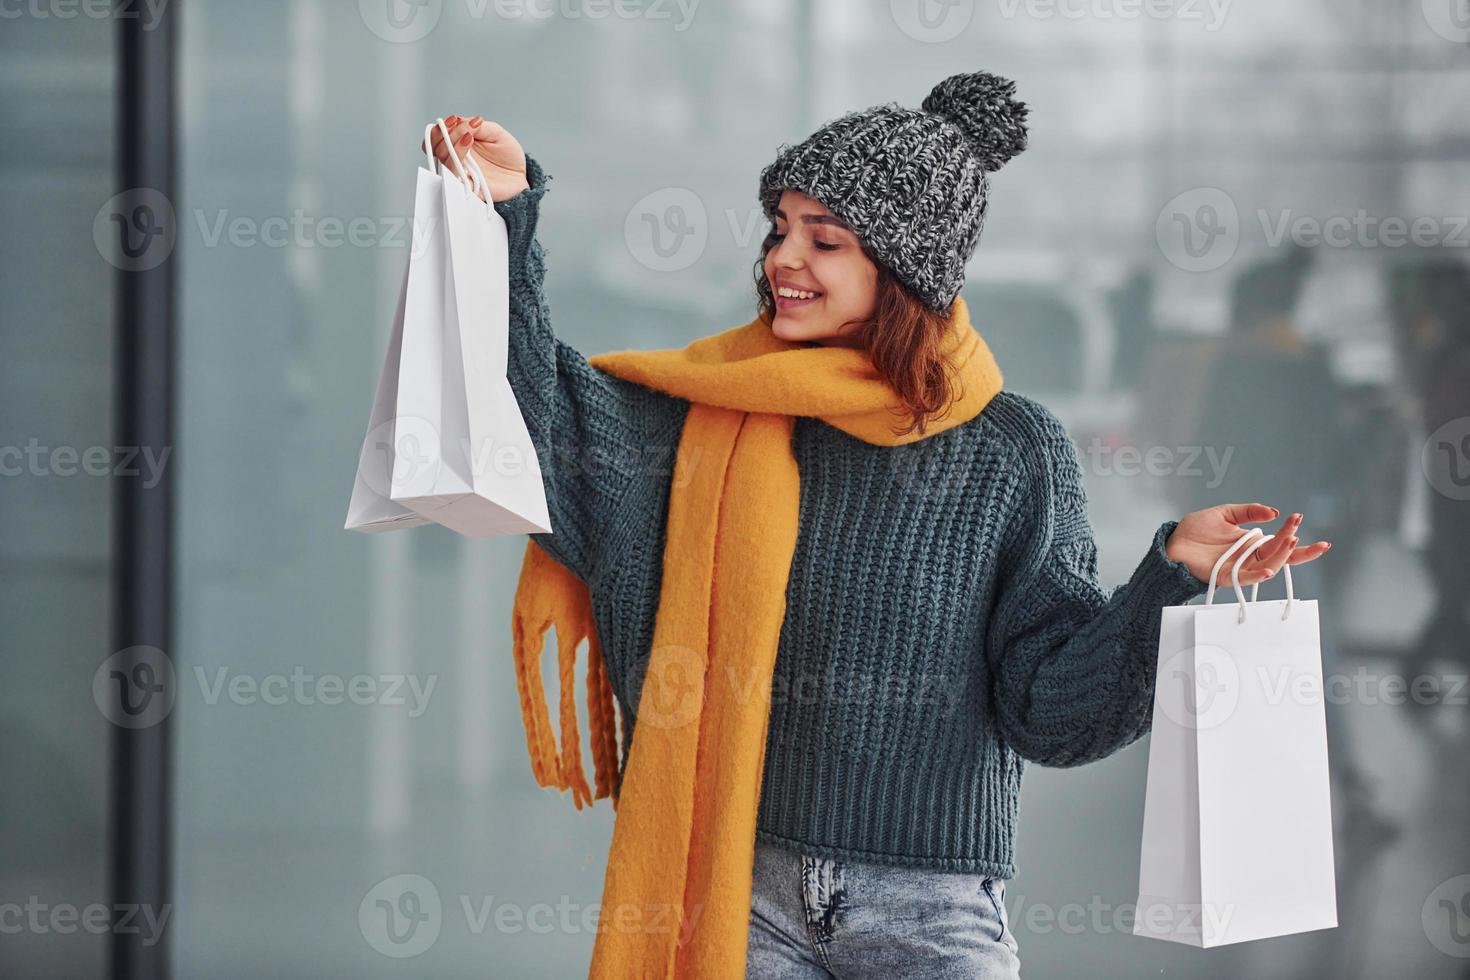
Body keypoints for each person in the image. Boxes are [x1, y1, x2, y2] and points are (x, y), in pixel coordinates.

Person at [423, 72, 1331, 980]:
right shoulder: (710, 418)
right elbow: (531, 419)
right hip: (740, 897)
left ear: (904, 268)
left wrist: (1168, 576)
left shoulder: (1011, 451)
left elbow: (1050, 713)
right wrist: (507, 215)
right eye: (781, 228)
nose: (785, 258)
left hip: (933, 916)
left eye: (826, 239)